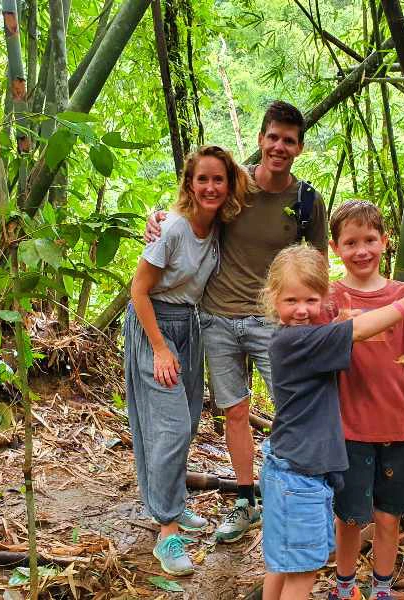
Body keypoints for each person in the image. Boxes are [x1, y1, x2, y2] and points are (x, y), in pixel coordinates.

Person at [145, 101, 329, 543]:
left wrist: (316, 320)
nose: (279, 147)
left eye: (288, 140)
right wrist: (158, 217)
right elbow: (194, 207)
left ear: (299, 147)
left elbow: (319, 265)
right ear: (261, 138)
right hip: (217, 318)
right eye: (273, 137)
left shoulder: (306, 201)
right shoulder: (236, 184)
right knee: (236, 412)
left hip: (272, 324)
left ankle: (292, 494)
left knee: (294, 409)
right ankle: (246, 501)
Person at [258, 244, 404, 600]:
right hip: (300, 477)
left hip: (288, 468)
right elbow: (358, 330)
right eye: (291, 301)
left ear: (324, 301)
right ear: (273, 299)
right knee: (302, 572)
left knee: (283, 565)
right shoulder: (301, 340)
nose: (301, 310)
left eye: (311, 301)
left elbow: (356, 329)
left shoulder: (293, 339)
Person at [124, 145, 249, 576]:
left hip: (190, 325)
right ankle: (166, 531)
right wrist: (159, 347)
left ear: (229, 185)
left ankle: (171, 501)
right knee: (170, 426)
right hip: (154, 324)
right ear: (189, 185)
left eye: (219, 179)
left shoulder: (217, 227)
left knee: (187, 420)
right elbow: (138, 290)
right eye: (203, 179)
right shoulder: (173, 228)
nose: (211, 187)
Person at [325, 201, 404, 600]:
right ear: (335, 247)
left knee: (388, 516)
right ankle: (344, 587)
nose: (362, 250)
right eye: (351, 242)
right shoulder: (328, 298)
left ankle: (381, 588)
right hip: (348, 426)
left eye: (370, 240)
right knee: (348, 518)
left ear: (385, 242)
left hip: (399, 425)